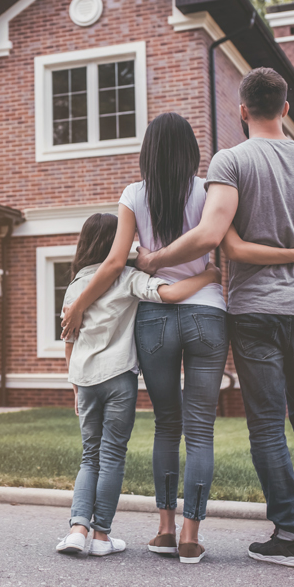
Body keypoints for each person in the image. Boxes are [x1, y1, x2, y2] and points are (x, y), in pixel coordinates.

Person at [60, 112, 294, 564]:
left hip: (155, 319)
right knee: (200, 431)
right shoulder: (210, 190)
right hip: (207, 314)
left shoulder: (133, 194)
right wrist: (217, 272)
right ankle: (189, 536)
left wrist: (80, 303)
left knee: (167, 424)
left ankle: (162, 530)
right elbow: (230, 244)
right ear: (192, 152)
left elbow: (113, 264)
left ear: (147, 151)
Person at [133, 69, 294, 567]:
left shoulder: (231, 161)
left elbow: (212, 235)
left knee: (269, 428)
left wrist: (155, 259)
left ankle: (290, 537)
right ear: (287, 108)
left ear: (242, 110)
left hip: (254, 311)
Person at [56, 212, 222, 557]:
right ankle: (101, 536)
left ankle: (76, 529)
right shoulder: (129, 278)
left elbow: (68, 339)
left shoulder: (74, 286)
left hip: (85, 381)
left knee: (90, 456)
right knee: (112, 455)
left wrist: (74, 386)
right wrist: (208, 275)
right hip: (119, 380)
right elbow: (172, 294)